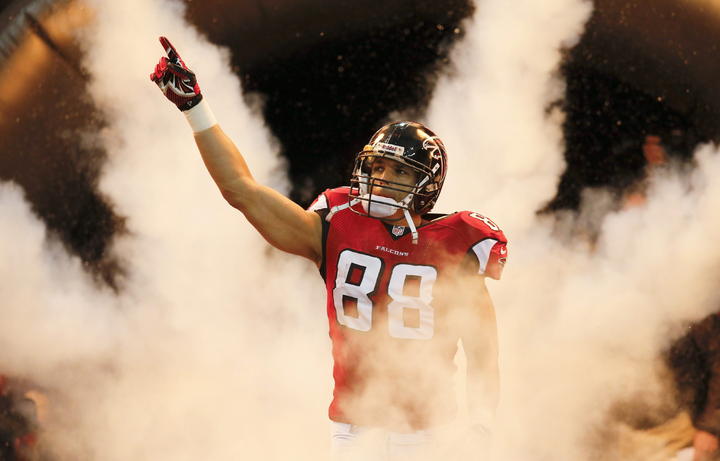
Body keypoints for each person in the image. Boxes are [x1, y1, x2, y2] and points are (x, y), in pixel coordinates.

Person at [150, 37, 508, 459]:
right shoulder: (338, 222)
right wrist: (194, 107)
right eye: (377, 167)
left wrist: (481, 424)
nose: (381, 179)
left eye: (398, 171)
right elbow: (241, 190)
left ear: (427, 184)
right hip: (353, 428)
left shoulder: (457, 244)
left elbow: (482, 351)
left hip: (428, 433)